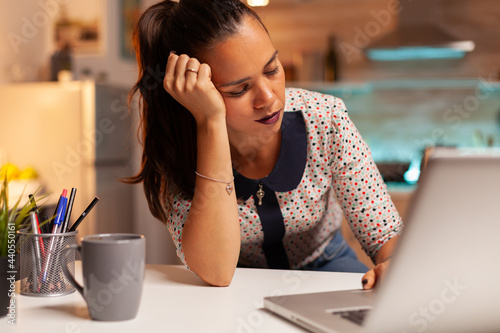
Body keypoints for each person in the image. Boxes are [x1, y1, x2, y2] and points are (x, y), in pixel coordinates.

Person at [128, 0, 403, 288]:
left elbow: (384, 234)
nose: (268, 99)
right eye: (239, 89)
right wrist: (210, 123)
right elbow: (217, 271)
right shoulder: (180, 147)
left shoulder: (326, 118)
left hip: (328, 266)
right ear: (196, 90)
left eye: (272, 70)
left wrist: (394, 265)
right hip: (237, 282)